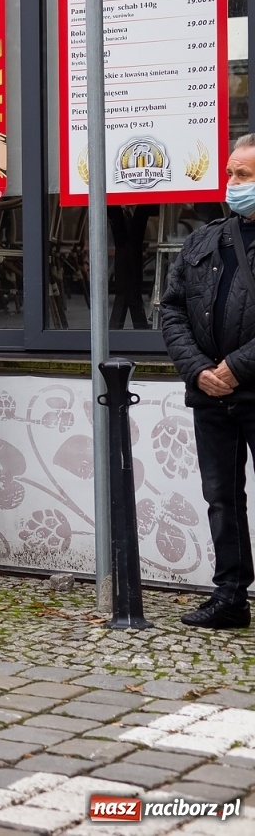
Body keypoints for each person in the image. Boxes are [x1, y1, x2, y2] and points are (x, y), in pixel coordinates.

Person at [160, 133, 255, 630]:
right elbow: (171, 309)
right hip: (210, 395)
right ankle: (230, 596)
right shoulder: (205, 239)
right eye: (231, 174)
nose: (232, 184)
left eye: (244, 175)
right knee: (222, 498)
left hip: (249, 386)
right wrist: (197, 368)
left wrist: (236, 367)